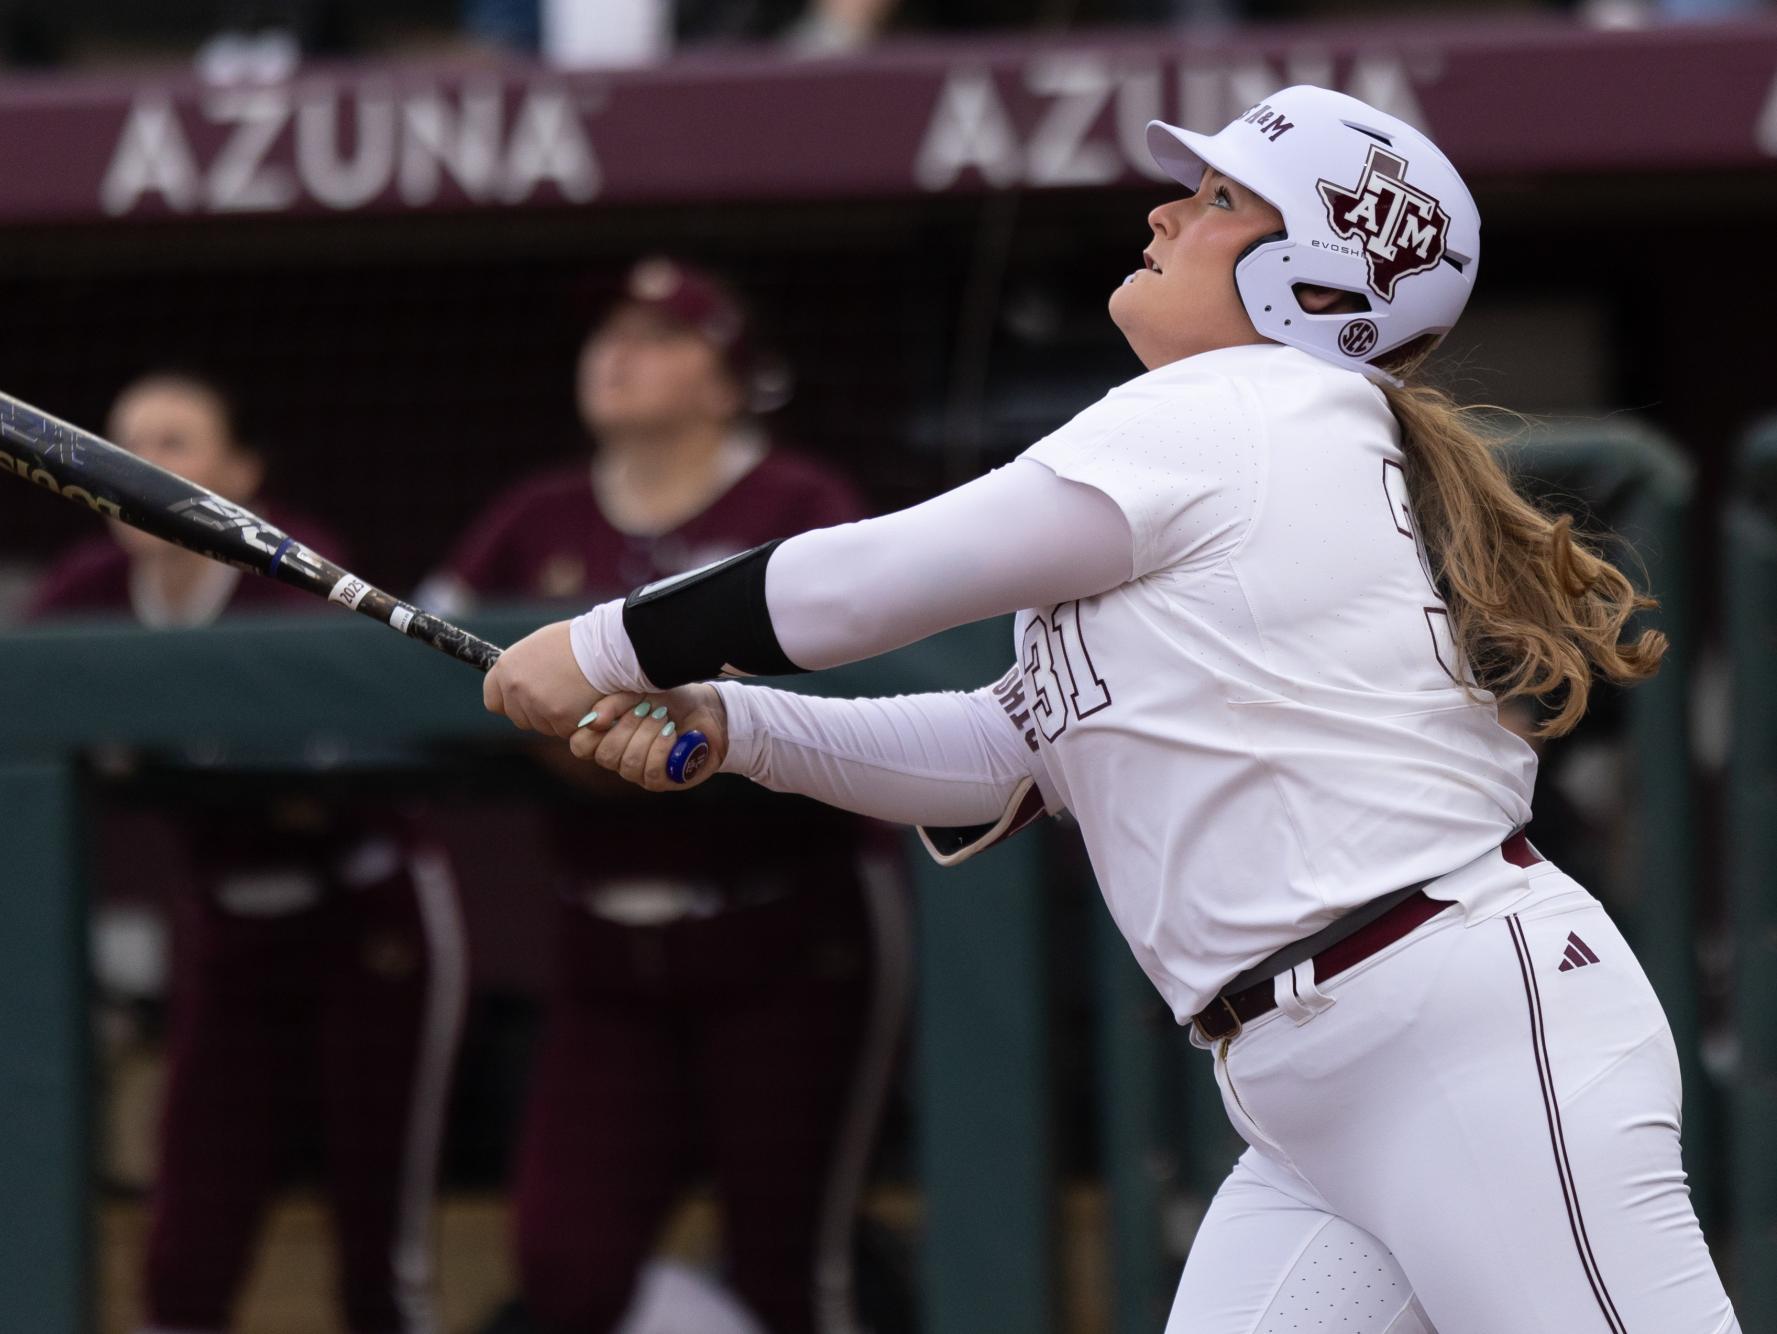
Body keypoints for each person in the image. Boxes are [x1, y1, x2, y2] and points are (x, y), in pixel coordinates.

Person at [478, 88, 1739, 1331]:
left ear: (1308, 279)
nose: (1163, 214)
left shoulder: (1245, 405)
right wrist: (739, 728)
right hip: (1315, 1078)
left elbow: (873, 577)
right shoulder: (1250, 441)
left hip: (1456, 1031)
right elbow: (1003, 752)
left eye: (1217, 199)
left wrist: (604, 641)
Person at [421, 258, 909, 1334]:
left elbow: (870, 676)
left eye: (659, 334)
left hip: (787, 921)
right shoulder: (532, 513)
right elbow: (436, 666)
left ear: (729, 377)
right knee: (566, 1265)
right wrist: (555, 730)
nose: (617, 353)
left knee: (793, 1265)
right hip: (605, 936)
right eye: (608, 333)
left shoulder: (800, 500)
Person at [28, 371, 466, 1334]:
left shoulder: (298, 571)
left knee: (375, 1252)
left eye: (175, 442)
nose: (140, 467)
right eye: (121, 441)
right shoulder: (83, 594)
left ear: (240, 474)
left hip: (365, 916)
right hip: (229, 927)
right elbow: (11, 706)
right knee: (187, 1251)